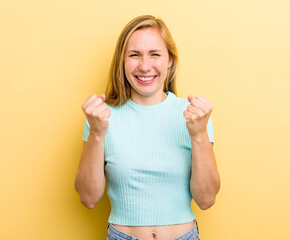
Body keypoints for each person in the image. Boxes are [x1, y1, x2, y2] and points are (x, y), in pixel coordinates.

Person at [75, 15, 220, 240]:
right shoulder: (101, 117)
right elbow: (88, 198)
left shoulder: (194, 116)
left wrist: (199, 135)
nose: (144, 66)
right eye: (134, 55)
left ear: (169, 60)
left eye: (155, 54)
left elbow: (207, 199)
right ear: (122, 61)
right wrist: (96, 133)